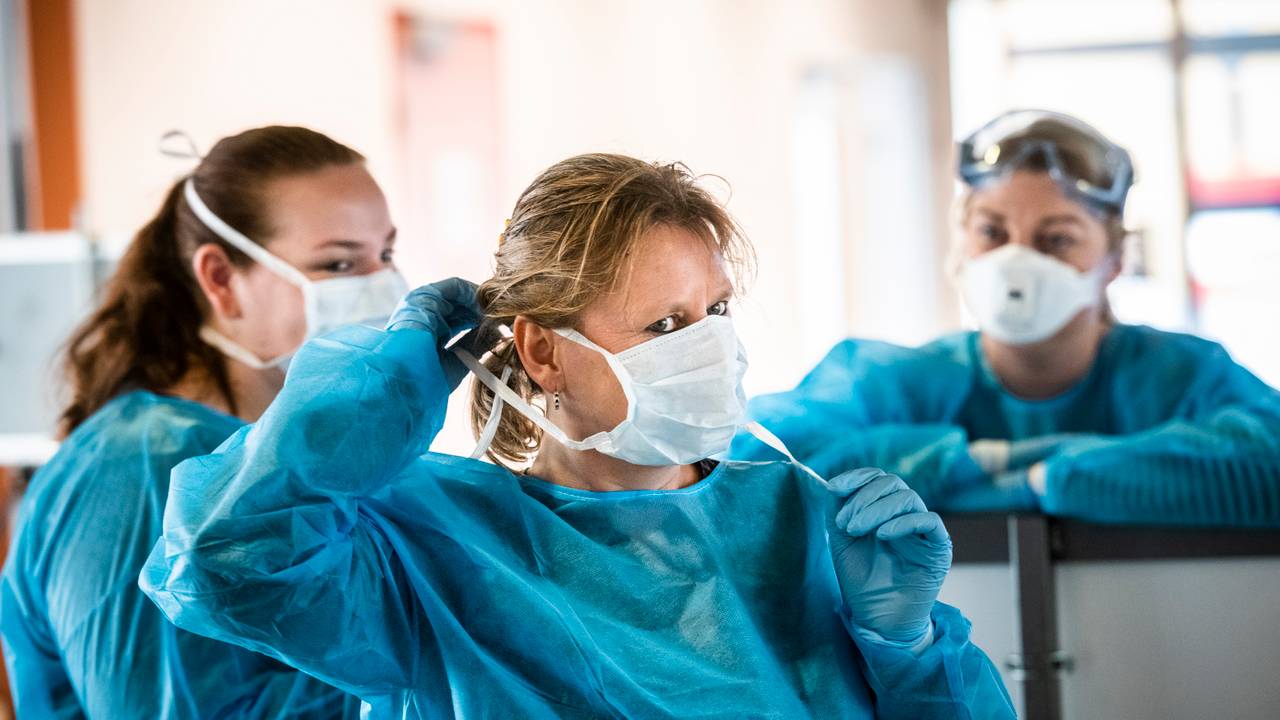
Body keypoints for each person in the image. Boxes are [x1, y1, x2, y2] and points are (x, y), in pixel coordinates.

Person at [139, 154, 1015, 718]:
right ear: (543, 351)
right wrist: (393, 377)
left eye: (715, 311)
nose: (708, 346)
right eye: (664, 326)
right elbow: (227, 561)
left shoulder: (799, 521)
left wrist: (908, 650)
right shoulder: (434, 546)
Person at [0, 125, 406, 717]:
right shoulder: (142, 469)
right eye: (339, 262)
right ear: (220, 278)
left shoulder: (282, 455)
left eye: (386, 255)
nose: (381, 289)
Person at [735, 109, 1280, 525]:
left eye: (1056, 239)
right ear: (961, 247)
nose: (1017, 262)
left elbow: (1267, 458)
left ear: (1113, 261)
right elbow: (758, 464)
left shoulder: (1182, 376)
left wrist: (1052, 478)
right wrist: (980, 461)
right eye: (993, 233)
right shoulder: (887, 381)